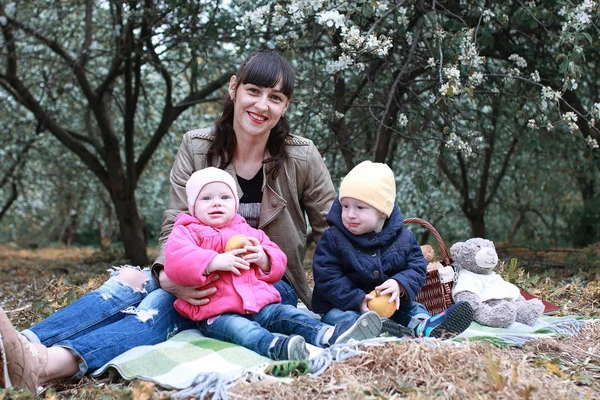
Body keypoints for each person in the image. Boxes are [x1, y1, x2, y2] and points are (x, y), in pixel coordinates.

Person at [0, 50, 337, 392]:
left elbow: (332, 234)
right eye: (254, 91)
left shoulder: (301, 156)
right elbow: (173, 225)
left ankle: (45, 365)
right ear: (234, 88)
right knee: (131, 279)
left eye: (275, 98)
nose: (262, 105)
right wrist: (167, 277)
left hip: (267, 284)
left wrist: (342, 301)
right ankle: (16, 347)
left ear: (286, 106)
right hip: (197, 265)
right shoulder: (196, 146)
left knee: (160, 305)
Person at [164, 167, 381, 360]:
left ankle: (328, 334)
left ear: (235, 203)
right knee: (242, 330)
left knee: (288, 314)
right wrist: (213, 261)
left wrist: (263, 258)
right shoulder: (187, 231)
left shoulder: (247, 232)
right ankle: (276, 347)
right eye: (206, 199)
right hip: (218, 312)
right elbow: (175, 261)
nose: (217, 203)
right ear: (193, 206)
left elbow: (279, 260)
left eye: (224, 197)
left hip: (260, 304)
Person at [311, 161, 474, 339]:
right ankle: (371, 330)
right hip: (342, 305)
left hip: (390, 305)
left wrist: (399, 283)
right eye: (345, 206)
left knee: (412, 308)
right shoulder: (333, 238)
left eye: (360, 207)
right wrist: (356, 300)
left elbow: (416, 267)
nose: (350, 214)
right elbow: (327, 276)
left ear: (383, 211)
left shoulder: (404, 239)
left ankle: (424, 325)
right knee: (341, 317)